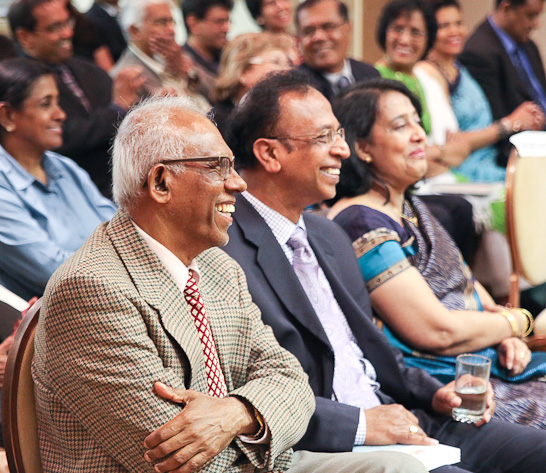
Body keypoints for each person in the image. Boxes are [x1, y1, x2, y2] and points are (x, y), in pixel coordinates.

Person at [32, 93, 425, 473]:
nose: (237, 183)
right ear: (161, 183)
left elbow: (294, 383)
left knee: (401, 467)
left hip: (261, 459)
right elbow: (179, 459)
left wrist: (240, 412)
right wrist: (263, 417)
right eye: (218, 167)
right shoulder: (91, 289)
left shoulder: (219, 267)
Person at [222, 69, 546, 473]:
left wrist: (436, 394)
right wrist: (361, 423)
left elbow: (372, 349)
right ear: (270, 154)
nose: (342, 150)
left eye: (340, 135)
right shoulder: (225, 250)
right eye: (324, 138)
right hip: (332, 440)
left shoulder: (326, 235)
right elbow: (245, 389)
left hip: (401, 416)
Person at [328, 77, 546, 431]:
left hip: (487, 363)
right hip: (445, 388)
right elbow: (435, 331)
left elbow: (473, 292)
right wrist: (517, 322)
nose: (418, 134)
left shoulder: (410, 205)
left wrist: (506, 336)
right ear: (363, 147)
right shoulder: (361, 222)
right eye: (401, 126)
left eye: (417, 121)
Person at [0, 58, 116, 301]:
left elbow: (121, 227)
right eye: (46, 104)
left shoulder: (64, 167)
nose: (61, 114)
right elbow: (55, 272)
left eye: (58, 102)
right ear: (8, 116)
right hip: (66, 317)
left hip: (113, 293)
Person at [7, 0, 144, 197]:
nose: (67, 33)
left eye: (67, 23)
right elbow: (63, 139)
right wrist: (117, 109)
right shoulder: (18, 86)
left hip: (124, 179)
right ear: (24, 36)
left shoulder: (88, 70)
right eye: (55, 27)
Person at [416, 0, 543, 182]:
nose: (455, 31)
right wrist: (511, 123)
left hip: (488, 161)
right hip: (467, 169)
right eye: (444, 26)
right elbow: (447, 143)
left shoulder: (460, 70)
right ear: (429, 32)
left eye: (459, 23)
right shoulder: (428, 74)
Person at [460, 0, 546, 165]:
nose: (536, 24)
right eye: (530, 16)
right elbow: (498, 129)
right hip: (519, 150)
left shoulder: (528, 46)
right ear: (506, 9)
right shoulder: (479, 52)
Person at [115, 0, 207, 104]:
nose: (171, 30)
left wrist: (188, 73)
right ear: (134, 31)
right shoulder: (125, 77)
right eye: (162, 22)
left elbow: (216, 93)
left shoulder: (176, 55)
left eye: (172, 22)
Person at [295, 0, 379, 103]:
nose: (318, 37)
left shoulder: (370, 75)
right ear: (299, 39)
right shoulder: (296, 88)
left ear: (348, 28)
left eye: (328, 27)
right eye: (308, 31)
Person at [213, 31, 293, 136]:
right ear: (243, 72)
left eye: (288, 64)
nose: (287, 70)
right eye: (275, 62)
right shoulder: (217, 122)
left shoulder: (289, 114)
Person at [182, 0, 233, 103]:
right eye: (219, 22)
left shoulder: (228, 55)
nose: (227, 28)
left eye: (228, 21)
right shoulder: (180, 62)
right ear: (193, 23)